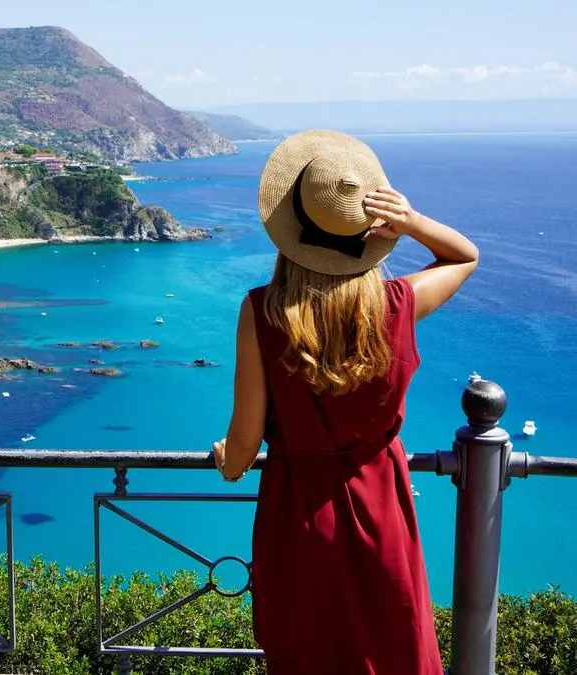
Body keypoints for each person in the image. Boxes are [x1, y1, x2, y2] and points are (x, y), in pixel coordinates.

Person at [213, 130, 478, 674]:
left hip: (298, 513)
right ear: (369, 234)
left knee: (308, 651)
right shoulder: (398, 304)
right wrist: (411, 220)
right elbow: (464, 257)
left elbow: (244, 441)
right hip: (382, 502)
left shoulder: (262, 312)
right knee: (390, 647)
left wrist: (229, 462)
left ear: (290, 234)